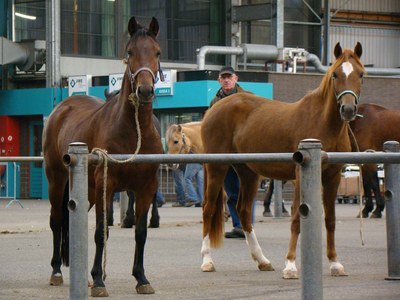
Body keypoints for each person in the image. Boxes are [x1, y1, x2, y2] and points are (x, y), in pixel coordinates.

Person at [209, 65, 256, 239]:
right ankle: (238, 225)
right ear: (219, 81)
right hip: (224, 152)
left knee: (247, 188)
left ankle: (247, 225)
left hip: (244, 150)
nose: (227, 80)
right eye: (224, 77)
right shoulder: (215, 102)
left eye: (230, 77)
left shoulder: (248, 98)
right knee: (231, 190)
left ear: (236, 79)